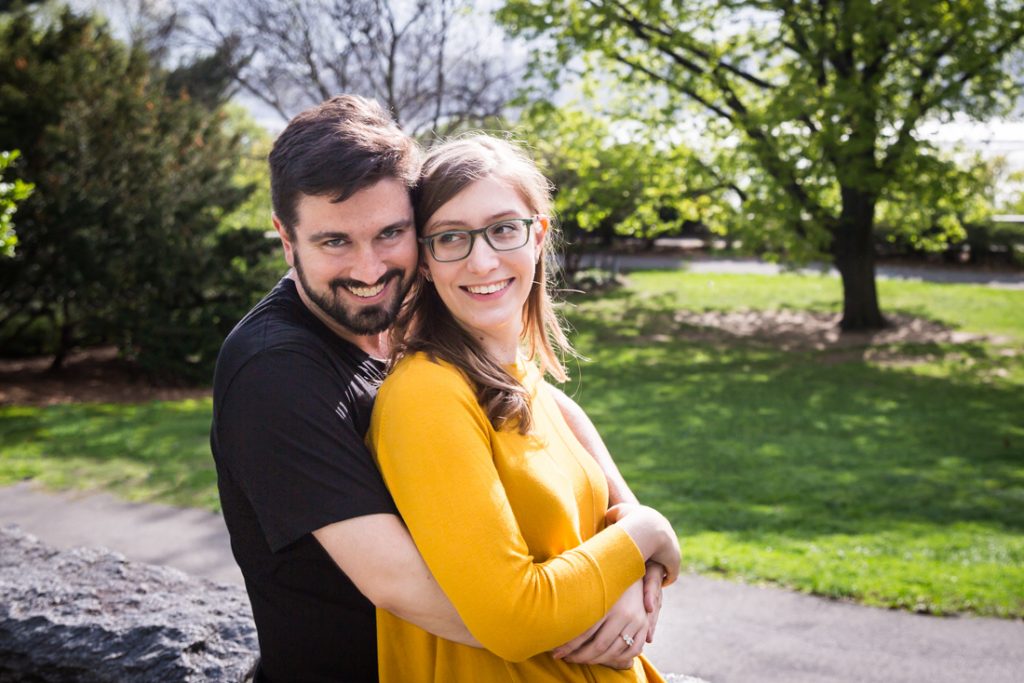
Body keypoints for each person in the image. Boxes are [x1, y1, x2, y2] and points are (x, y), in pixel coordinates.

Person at [211, 97, 670, 682]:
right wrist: (610, 586)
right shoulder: (274, 371)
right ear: (286, 237)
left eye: (390, 233)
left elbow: (528, 392)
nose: (370, 267)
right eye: (334, 242)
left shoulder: (398, 309)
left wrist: (630, 523)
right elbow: (405, 586)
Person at [368, 134, 681, 682]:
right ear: (424, 260)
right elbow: (514, 619)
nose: (482, 259)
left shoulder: (525, 380)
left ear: (538, 235)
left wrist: (630, 575)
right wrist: (650, 533)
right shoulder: (427, 397)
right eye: (450, 238)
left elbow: (596, 539)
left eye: (503, 228)